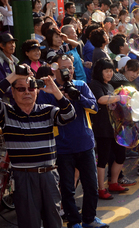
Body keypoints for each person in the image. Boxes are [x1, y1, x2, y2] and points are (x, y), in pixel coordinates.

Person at [37, 56, 108, 228]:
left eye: (70, 67)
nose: (68, 70)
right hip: (62, 147)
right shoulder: (47, 90)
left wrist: (79, 98)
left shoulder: (81, 85)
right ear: (54, 69)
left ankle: (90, 218)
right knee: (68, 188)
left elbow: (94, 107)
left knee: (91, 185)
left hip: (85, 143)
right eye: (63, 67)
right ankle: (74, 221)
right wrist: (59, 95)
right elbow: (42, 114)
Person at [0, 67, 75, 228]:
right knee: (29, 222)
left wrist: (55, 91)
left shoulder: (47, 110)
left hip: (49, 175)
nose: (27, 92)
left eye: (31, 88)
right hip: (23, 176)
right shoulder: (6, 113)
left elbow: (70, 115)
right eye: (20, 89)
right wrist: (14, 76)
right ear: (12, 92)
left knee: (54, 221)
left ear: (37, 91)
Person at [89, 58, 129, 198]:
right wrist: (119, 98)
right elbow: (100, 99)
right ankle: (101, 188)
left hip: (115, 127)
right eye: (106, 71)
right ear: (99, 71)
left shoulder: (110, 86)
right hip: (102, 127)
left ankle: (113, 182)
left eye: (111, 70)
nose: (109, 73)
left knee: (120, 155)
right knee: (103, 159)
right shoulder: (95, 84)